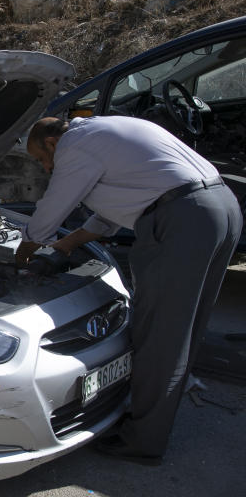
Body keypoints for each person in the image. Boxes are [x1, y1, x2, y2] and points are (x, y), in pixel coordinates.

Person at [16, 116, 241, 465]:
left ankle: (142, 440)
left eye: (41, 159)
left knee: (160, 333)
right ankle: (153, 418)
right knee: (184, 327)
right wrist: (66, 246)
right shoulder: (107, 131)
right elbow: (110, 213)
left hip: (181, 219)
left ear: (51, 143)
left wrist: (24, 248)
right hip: (219, 207)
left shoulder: (74, 146)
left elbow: (52, 209)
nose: (45, 168)